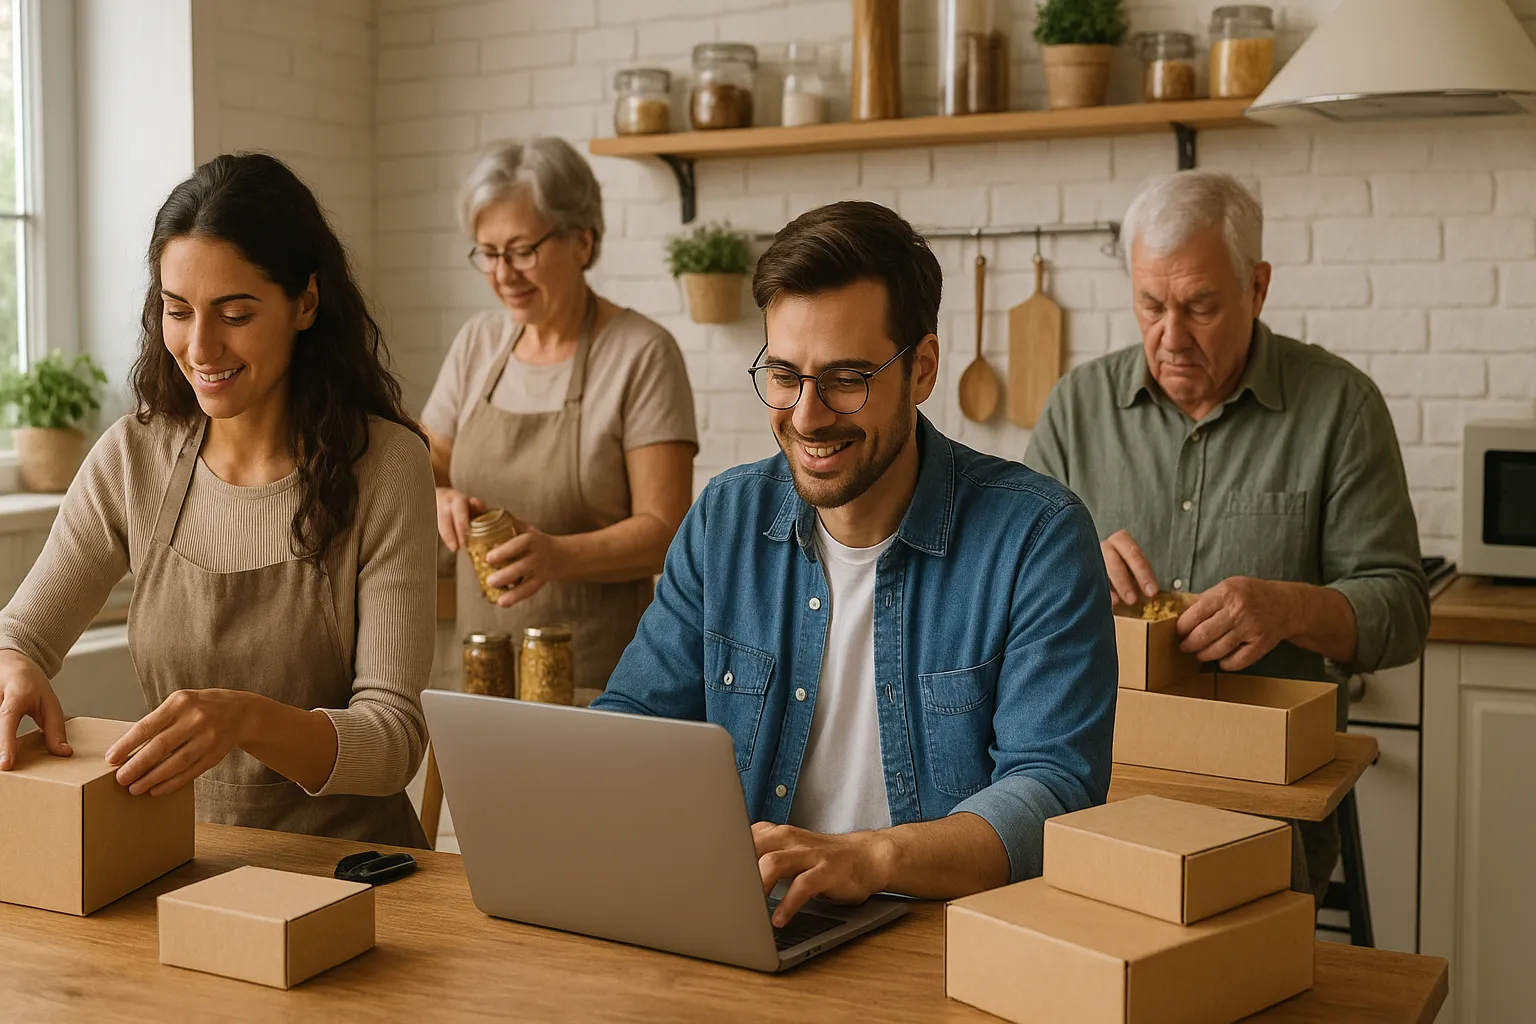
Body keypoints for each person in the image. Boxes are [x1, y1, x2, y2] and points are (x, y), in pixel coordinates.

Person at [592, 201, 1117, 925]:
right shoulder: (725, 520)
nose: (807, 416)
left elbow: (1054, 793)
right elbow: (632, 725)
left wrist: (867, 858)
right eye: (784, 375)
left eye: (846, 379)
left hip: (946, 940)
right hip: (751, 926)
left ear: (922, 369)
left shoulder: (1038, 538)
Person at [0, 153, 436, 848]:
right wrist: (13, 663)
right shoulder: (132, 458)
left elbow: (392, 743)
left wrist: (246, 720)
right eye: (177, 311)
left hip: (355, 869)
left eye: (235, 314)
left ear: (306, 303)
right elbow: (18, 634)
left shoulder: (386, 467)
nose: (200, 347)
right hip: (180, 860)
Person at [1025, 170, 1430, 900]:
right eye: (1151, 306)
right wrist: (1068, 570)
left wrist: (1290, 608)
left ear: (1258, 287)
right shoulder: (1075, 408)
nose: (1171, 337)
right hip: (1098, 790)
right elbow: (1004, 602)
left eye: (1201, 306)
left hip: (1264, 804)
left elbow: (1402, 610)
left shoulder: (1341, 407)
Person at [423, 138, 697, 693]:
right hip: (483, 677)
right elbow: (424, 464)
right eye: (488, 253)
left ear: (582, 240)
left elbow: (665, 531)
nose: (503, 273)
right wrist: (437, 496)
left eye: (522, 250)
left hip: (602, 681)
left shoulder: (642, 353)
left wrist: (557, 556)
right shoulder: (478, 344)